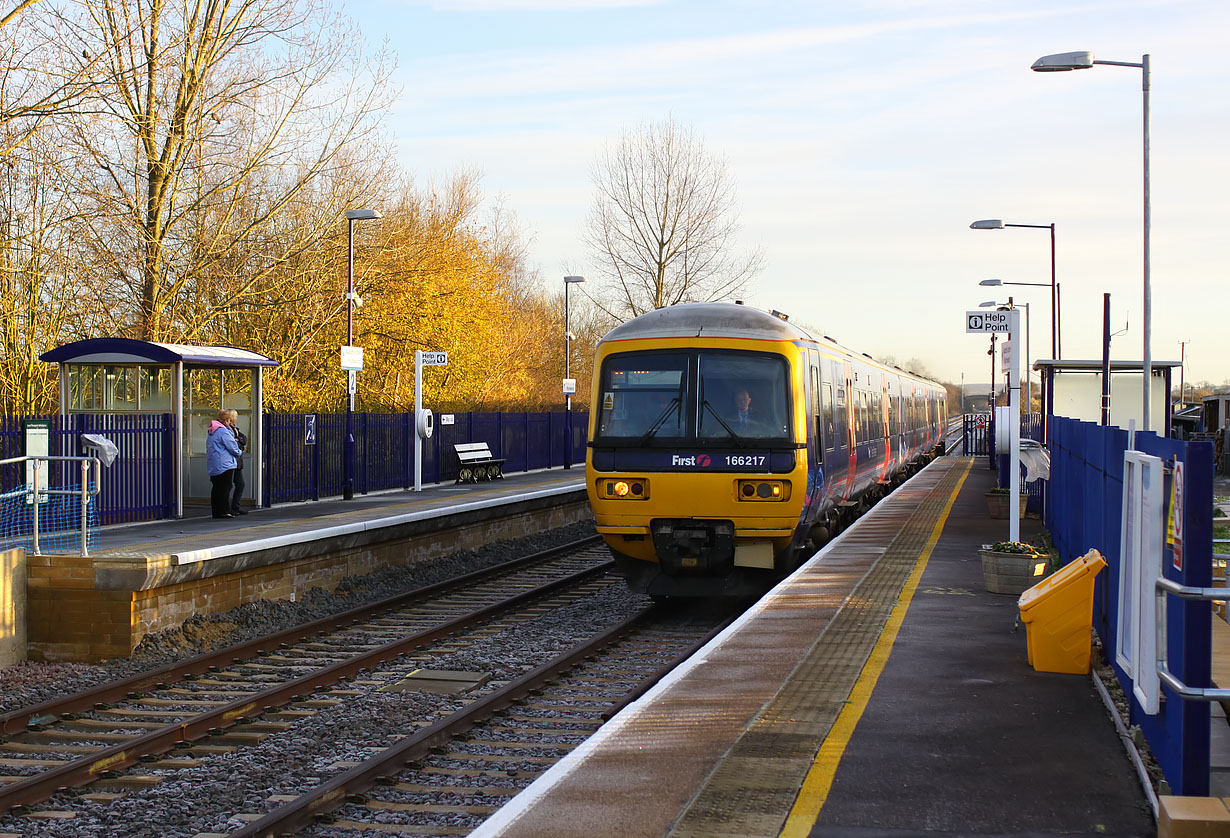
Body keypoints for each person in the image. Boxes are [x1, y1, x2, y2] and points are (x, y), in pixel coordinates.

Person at [206, 409, 242, 519]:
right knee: (225, 487)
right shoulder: (223, 432)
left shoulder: (212, 431)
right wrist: (239, 452)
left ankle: (216, 511)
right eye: (229, 420)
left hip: (214, 463)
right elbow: (233, 447)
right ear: (226, 420)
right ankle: (224, 510)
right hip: (225, 464)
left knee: (216, 488)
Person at [226, 410, 248, 515]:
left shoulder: (235, 429)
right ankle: (229, 507)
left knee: (240, 484)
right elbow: (233, 445)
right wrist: (239, 443)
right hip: (230, 462)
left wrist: (238, 440)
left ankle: (235, 506)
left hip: (237, 462)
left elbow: (244, 440)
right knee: (228, 485)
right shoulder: (227, 430)